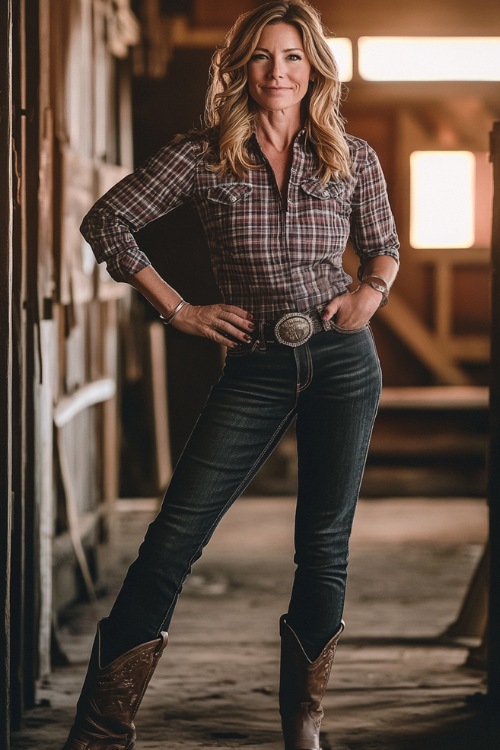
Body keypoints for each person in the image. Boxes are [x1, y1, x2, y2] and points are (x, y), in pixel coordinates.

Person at [62, 1, 399, 748]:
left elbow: (383, 248)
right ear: (240, 67)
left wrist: (368, 295)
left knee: (324, 545)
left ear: (312, 67)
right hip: (253, 366)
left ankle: (304, 723)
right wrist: (177, 309)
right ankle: (101, 728)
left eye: (290, 57)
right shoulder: (203, 155)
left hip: (344, 362)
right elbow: (106, 221)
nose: (276, 72)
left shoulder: (353, 156)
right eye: (261, 57)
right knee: (174, 538)